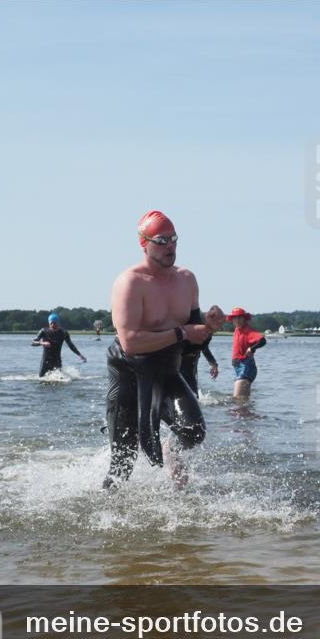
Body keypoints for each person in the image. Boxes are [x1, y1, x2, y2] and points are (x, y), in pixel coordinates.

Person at [102, 210, 216, 490]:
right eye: (161, 241)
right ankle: (107, 510)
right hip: (129, 371)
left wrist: (210, 327)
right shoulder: (130, 282)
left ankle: (170, 451)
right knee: (123, 463)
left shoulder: (187, 279)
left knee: (193, 431)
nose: (170, 247)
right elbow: (130, 342)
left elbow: (194, 337)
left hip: (167, 368)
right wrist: (182, 333)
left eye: (174, 239)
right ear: (144, 243)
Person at [180, 305, 224, 396]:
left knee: (193, 395)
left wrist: (213, 364)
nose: (220, 327)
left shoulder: (209, 332)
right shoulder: (195, 323)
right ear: (210, 318)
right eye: (219, 323)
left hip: (192, 365)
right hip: (180, 363)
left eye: (222, 324)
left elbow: (204, 348)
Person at [227, 307, 266, 399]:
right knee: (242, 400)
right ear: (232, 320)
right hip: (238, 367)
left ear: (244, 318)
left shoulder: (248, 330)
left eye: (240, 317)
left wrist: (251, 349)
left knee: (238, 399)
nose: (237, 320)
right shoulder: (237, 330)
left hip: (246, 367)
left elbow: (262, 341)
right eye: (235, 318)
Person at [32, 313, 86, 377]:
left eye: (54, 323)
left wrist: (80, 355)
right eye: (51, 323)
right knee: (41, 378)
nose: (52, 325)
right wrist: (42, 343)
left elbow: (71, 345)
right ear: (49, 323)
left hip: (57, 360)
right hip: (45, 360)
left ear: (58, 323)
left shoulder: (63, 333)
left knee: (60, 379)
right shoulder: (43, 331)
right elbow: (33, 342)